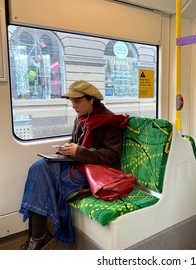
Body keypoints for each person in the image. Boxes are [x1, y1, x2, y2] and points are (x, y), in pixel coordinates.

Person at [19, 80, 128, 250]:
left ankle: (38, 237)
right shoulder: (82, 119)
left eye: (77, 101)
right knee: (38, 167)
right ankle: (38, 236)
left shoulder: (109, 122)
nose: (73, 106)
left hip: (94, 172)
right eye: (71, 102)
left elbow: (113, 156)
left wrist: (79, 152)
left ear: (91, 100)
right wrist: (68, 149)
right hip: (78, 164)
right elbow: (76, 142)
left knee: (42, 178)